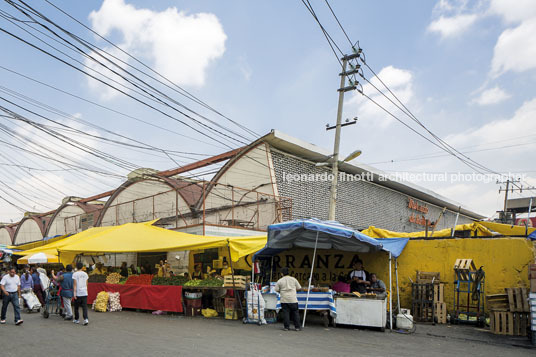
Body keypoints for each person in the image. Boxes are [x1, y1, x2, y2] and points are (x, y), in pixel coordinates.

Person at [274, 267, 302, 331]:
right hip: (293, 299)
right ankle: (297, 327)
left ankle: (286, 327)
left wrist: (281, 291)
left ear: (282, 274)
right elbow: (299, 288)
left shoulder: (280, 280)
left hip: (284, 299)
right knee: (295, 313)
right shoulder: (293, 279)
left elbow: (276, 289)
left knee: (286, 313)